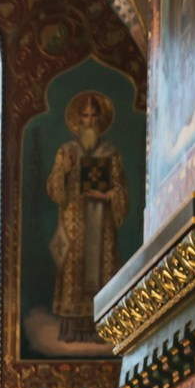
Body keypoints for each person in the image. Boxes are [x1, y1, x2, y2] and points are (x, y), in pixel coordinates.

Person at [47, 91, 128, 343]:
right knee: (74, 267)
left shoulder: (110, 152)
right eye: (85, 116)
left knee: (102, 269)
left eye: (94, 116)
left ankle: (102, 329)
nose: (89, 120)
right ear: (78, 120)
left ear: (100, 119)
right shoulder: (67, 151)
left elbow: (120, 189)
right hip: (74, 222)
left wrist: (108, 196)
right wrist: (65, 171)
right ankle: (70, 329)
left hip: (101, 223)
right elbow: (54, 189)